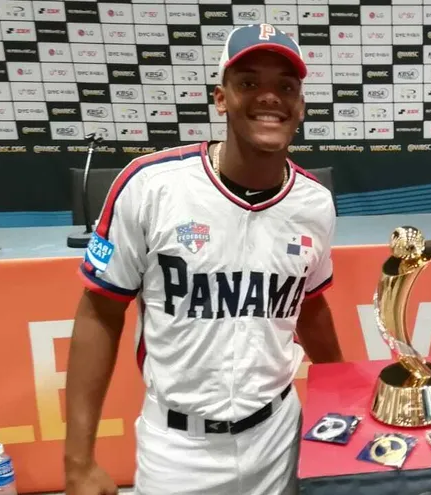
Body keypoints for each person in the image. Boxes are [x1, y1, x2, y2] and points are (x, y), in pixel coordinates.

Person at [64, 23, 343, 495]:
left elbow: (310, 305)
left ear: (300, 107)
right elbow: (100, 309)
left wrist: (343, 395)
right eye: (249, 82)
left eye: (285, 87)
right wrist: (78, 460)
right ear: (221, 98)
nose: (269, 97)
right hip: (178, 449)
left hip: (279, 436)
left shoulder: (315, 203)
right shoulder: (151, 185)